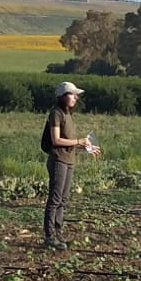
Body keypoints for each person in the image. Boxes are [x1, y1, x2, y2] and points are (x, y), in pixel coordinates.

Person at [40, 81, 96, 250]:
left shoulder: (69, 115)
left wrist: (86, 146)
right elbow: (56, 140)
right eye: (72, 94)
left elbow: (70, 140)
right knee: (55, 199)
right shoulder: (56, 113)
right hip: (58, 160)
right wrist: (79, 141)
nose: (75, 98)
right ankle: (49, 236)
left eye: (76, 95)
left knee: (63, 200)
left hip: (69, 160)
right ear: (63, 96)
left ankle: (59, 233)